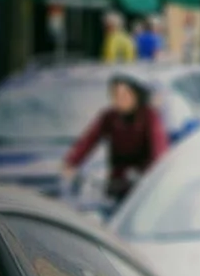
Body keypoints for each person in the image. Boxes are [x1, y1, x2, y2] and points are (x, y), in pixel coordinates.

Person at [61, 73, 169, 209]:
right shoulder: (109, 117)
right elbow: (89, 139)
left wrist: (156, 174)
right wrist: (71, 162)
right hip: (117, 181)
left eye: (125, 96)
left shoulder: (149, 116)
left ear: (136, 95)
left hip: (144, 183)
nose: (120, 100)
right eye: (115, 96)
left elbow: (158, 147)